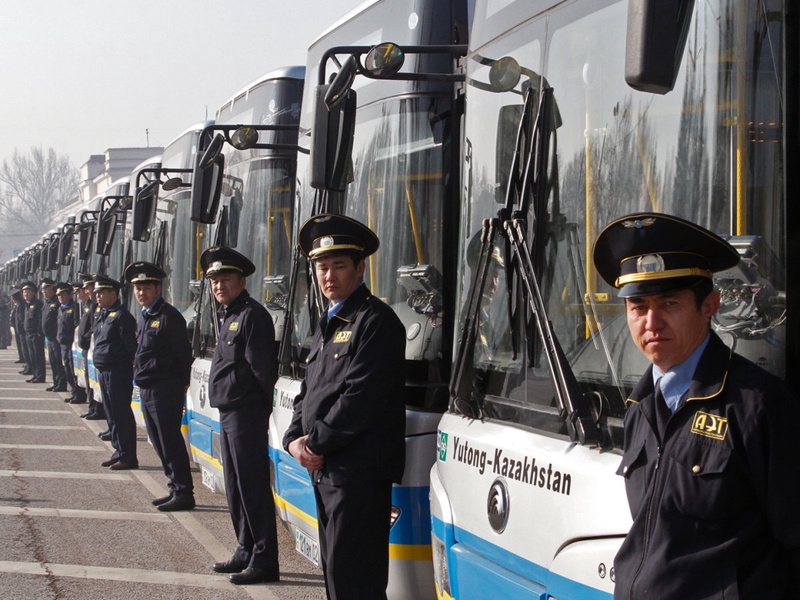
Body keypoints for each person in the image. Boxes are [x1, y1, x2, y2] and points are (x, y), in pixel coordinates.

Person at [592, 212, 800, 599]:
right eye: (638, 306)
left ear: (709, 306)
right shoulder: (641, 406)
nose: (651, 322)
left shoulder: (759, 406)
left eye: (669, 302)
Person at [283, 214, 406, 600]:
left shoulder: (376, 322)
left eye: (338, 266)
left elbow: (360, 398)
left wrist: (314, 443)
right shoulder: (329, 322)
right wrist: (293, 439)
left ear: (360, 267)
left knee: (355, 579)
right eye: (322, 267)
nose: (329, 276)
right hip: (329, 471)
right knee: (337, 573)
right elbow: (310, 391)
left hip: (358, 474)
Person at [202, 246, 280, 585]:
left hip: (246, 414)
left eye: (226, 279)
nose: (219, 286)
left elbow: (263, 371)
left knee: (252, 487)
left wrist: (260, 413)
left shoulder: (251, 315)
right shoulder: (229, 314)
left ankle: (264, 560)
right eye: (214, 281)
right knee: (235, 487)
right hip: (230, 413)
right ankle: (245, 548)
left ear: (242, 281)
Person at [125, 261, 194, 512]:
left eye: (146, 288)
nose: (141, 293)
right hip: (147, 387)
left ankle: (184, 492)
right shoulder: (145, 317)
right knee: (157, 440)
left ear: (158, 288)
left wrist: (182, 383)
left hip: (165, 388)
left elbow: (182, 353)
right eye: (138, 288)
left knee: (169, 440)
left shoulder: (168, 316)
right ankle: (174, 487)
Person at [92, 274, 138, 470]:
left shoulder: (122, 316)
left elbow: (131, 347)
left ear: (113, 294)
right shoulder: (102, 314)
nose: (97, 296)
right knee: (111, 415)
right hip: (104, 370)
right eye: (97, 293)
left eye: (101, 293)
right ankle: (118, 451)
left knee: (121, 414)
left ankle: (128, 456)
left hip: (118, 371)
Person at [76, 274, 104, 420]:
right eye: (86, 289)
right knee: (89, 380)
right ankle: (92, 408)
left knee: (94, 381)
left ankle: (97, 410)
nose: (87, 291)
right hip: (88, 348)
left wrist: (85, 338)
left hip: (93, 348)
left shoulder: (97, 306)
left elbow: (94, 328)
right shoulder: (90, 305)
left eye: (89, 288)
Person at [54, 282, 84, 404]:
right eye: (58, 295)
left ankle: (79, 394)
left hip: (71, 344)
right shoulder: (60, 309)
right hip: (63, 344)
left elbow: (76, 325)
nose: (60, 297)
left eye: (63, 295)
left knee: (73, 370)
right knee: (67, 369)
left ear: (69, 295)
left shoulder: (75, 307)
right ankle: (73, 392)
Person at [41, 278, 67, 392]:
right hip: (49, 338)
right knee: (53, 362)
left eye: (46, 289)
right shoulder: (46, 303)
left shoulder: (56, 303)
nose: (44, 291)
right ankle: (56, 382)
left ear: (52, 289)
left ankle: (61, 384)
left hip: (55, 337)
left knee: (58, 362)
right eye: (43, 289)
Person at [22, 281, 46, 384]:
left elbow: (40, 319)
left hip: (35, 334)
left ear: (33, 293)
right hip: (28, 334)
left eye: (28, 292)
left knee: (38, 356)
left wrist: (38, 332)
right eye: (24, 292)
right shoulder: (27, 304)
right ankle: (35, 375)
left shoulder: (37, 304)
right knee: (32, 356)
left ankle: (40, 376)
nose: (26, 294)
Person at [11, 288, 29, 368]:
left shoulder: (21, 304)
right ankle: (22, 358)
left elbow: (21, 317)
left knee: (24, 346)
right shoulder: (18, 304)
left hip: (21, 328)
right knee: (21, 345)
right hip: (18, 328)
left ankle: (26, 361)